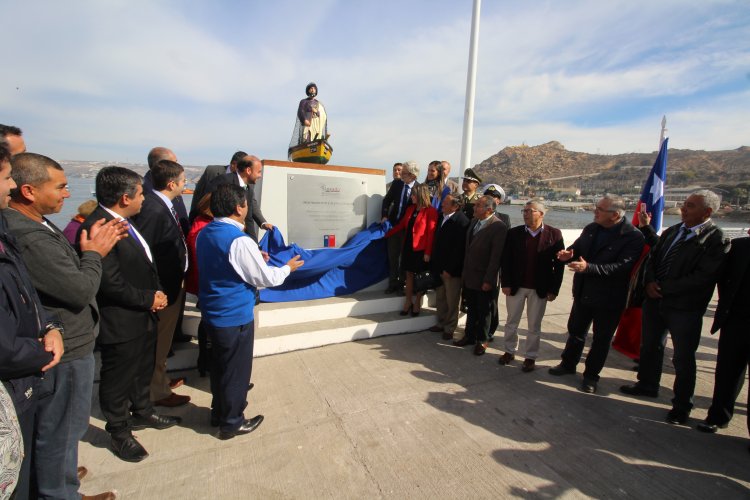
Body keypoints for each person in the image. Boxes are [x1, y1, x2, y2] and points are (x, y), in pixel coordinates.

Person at [4, 152, 121, 500]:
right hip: (66, 351)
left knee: (62, 433)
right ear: (29, 190)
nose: (67, 194)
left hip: (69, 342)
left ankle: (61, 480)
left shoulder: (37, 222)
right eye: (60, 186)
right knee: (61, 433)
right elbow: (79, 289)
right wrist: (94, 254)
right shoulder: (29, 235)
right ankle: (60, 490)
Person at [80, 166, 180, 463]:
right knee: (118, 378)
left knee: (140, 369)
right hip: (121, 320)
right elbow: (109, 283)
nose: (144, 199)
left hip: (143, 314)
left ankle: (143, 410)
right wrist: (150, 298)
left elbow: (147, 264)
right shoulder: (98, 227)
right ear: (125, 198)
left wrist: (158, 293)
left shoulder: (125, 221)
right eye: (140, 194)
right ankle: (119, 432)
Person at [197, 184, 303, 439]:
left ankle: (218, 412)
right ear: (238, 208)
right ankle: (232, 422)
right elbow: (265, 279)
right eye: (246, 204)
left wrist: (255, 257)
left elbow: (225, 265)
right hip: (234, 316)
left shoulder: (206, 232)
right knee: (236, 371)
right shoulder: (239, 240)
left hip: (213, 312)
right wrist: (288, 267)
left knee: (220, 367)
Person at [621, 190, 729, 424]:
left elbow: (703, 276)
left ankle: (681, 405)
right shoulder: (673, 231)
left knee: (682, 358)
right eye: (684, 204)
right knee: (650, 346)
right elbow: (654, 257)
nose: (683, 208)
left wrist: (665, 288)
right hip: (655, 301)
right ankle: (647, 384)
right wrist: (650, 282)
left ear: (707, 212)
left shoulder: (715, 239)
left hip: (684, 308)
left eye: (690, 205)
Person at [0, 141, 63, 499]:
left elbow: (27, 293)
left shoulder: (6, 235)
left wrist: (52, 326)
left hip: (30, 369)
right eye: (6, 176)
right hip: (20, 374)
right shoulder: (21, 231)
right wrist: (93, 256)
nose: (9, 186)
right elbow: (78, 287)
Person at [549, 195, 644, 394]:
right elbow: (578, 248)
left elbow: (621, 268)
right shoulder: (592, 228)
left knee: (601, 340)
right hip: (584, 291)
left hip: (609, 298)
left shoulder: (633, 236)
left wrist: (588, 268)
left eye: (600, 209)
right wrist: (569, 254)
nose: (595, 211)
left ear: (615, 215)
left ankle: (591, 376)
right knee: (575, 332)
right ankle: (568, 364)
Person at [132, 160, 191, 408]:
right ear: (172, 183)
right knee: (158, 342)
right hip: (162, 289)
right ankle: (156, 391)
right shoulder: (153, 210)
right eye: (183, 180)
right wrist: (154, 290)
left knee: (164, 341)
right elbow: (144, 253)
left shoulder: (160, 205)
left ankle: (161, 378)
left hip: (171, 284)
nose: (185, 184)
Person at [498, 200, 564, 372]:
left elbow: (559, 266)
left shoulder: (554, 234)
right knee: (511, 321)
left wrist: (553, 289)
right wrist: (505, 283)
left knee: (534, 325)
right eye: (524, 210)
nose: (525, 214)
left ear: (541, 214)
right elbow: (506, 260)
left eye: (530, 211)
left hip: (539, 288)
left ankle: (530, 357)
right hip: (516, 287)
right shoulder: (514, 233)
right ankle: (509, 351)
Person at [697, 229, 749, 442]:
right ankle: (718, 416)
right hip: (736, 320)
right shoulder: (740, 247)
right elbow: (720, 277)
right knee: (727, 371)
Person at [454, 195, 508, 355]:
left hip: (484, 278)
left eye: (478, 206)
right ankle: (469, 336)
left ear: (489, 210)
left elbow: (495, 258)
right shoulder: (474, 223)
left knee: (484, 311)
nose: (474, 208)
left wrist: (489, 280)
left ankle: (482, 340)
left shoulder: (498, 227)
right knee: (471, 309)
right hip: (470, 276)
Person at [386, 184, 438, 316]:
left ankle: (417, 303)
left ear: (420, 195)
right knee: (409, 275)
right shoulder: (410, 209)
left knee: (419, 277)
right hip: (409, 247)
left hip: (420, 250)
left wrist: (427, 252)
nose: (412, 197)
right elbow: (402, 225)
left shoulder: (431, 211)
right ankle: (408, 301)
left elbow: (431, 234)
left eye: (414, 195)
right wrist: (386, 234)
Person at [428, 194, 469, 340]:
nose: (442, 205)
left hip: (451, 271)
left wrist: (450, 269)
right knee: (441, 297)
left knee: (452, 300)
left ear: (455, 206)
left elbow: (459, 250)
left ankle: (450, 327)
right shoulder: (441, 217)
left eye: (446, 203)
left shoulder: (462, 222)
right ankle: (441, 322)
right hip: (439, 267)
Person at [209, 155, 273, 242]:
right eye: (258, 172)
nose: (260, 176)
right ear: (248, 170)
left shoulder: (249, 189)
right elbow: (208, 207)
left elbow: (248, 218)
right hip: (220, 237)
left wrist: (255, 245)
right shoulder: (223, 181)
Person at [380, 161, 419, 294]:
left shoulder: (418, 189)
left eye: (404, 173)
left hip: (408, 230)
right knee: (393, 256)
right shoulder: (397, 184)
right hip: (393, 226)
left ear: (413, 176)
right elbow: (387, 200)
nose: (401, 175)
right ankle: (392, 284)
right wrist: (384, 215)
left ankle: (402, 284)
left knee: (404, 258)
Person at [185, 193, 214, 376]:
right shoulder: (206, 229)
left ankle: (205, 363)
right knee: (210, 329)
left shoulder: (200, 224)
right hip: (208, 286)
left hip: (203, 285)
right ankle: (207, 363)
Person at [190, 151, 246, 221]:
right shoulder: (212, 171)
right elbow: (198, 194)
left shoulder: (244, 180)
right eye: (241, 167)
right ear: (233, 164)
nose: (244, 170)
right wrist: (192, 219)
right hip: (206, 219)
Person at [142, 147, 188, 233]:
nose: (177, 165)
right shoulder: (145, 192)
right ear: (163, 165)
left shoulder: (171, 184)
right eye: (174, 162)